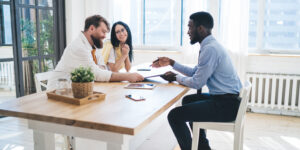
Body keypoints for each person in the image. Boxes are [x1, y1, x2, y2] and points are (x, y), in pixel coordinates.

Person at [151, 12, 242, 150]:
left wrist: (175, 77)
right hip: (227, 101)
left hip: (226, 106)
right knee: (188, 100)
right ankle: (203, 148)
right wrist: (171, 63)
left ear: (200, 29)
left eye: (190, 27)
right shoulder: (210, 45)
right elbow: (196, 72)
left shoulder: (210, 49)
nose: (188, 32)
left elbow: (197, 83)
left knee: (174, 116)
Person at [47, 15, 144, 89]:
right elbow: (97, 73)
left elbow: (102, 69)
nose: (105, 36)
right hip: (59, 91)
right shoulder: (79, 47)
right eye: (103, 32)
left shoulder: (95, 46)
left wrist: (98, 70)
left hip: (77, 90)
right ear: (92, 29)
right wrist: (128, 76)